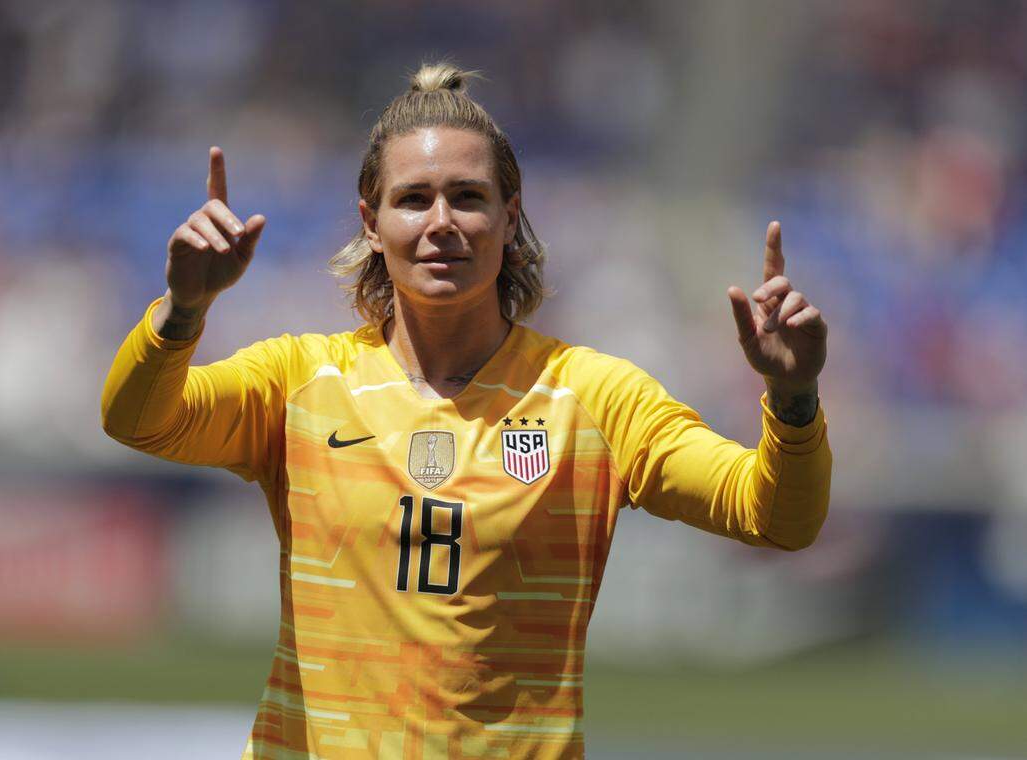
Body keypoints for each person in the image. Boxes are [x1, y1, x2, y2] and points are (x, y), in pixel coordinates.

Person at [101, 62, 831, 759]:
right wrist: (182, 310)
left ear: (510, 218)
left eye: (469, 197)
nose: (442, 222)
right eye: (414, 199)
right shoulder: (300, 380)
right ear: (371, 221)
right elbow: (138, 419)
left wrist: (793, 399)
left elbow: (776, 518)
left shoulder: (594, 398)